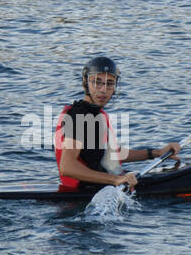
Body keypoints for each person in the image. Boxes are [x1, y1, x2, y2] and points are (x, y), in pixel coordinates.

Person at [54, 56, 181, 192]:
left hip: (100, 185)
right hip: (83, 194)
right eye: (97, 82)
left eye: (109, 83)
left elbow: (111, 154)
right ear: (85, 82)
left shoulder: (95, 114)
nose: (103, 90)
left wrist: (156, 152)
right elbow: (67, 167)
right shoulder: (78, 116)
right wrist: (117, 180)